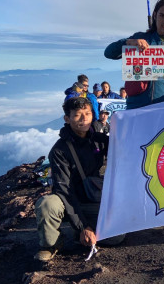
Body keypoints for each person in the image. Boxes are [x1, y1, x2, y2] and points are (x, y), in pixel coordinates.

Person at [34, 97, 124, 262]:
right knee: (47, 204)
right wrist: (83, 226)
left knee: (116, 238)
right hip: (68, 201)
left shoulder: (99, 140)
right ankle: (51, 244)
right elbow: (64, 190)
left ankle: (81, 232)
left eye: (88, 114)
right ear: (67, 119)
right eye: (77, 115)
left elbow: (124, 154)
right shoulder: (59, 150)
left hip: (92, 197)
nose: (84, 119)